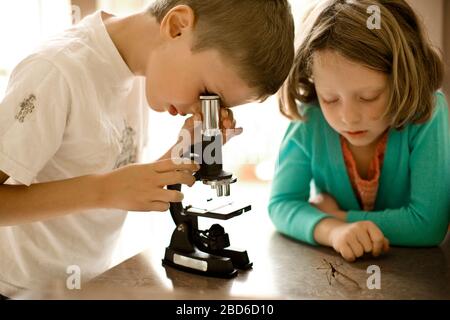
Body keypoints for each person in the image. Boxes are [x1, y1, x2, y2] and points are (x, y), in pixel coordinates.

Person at [0, 0, 295, 297]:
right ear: (177, 26)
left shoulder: (142, 69)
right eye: (207, 93)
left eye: (215, 106)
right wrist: (104, 190)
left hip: (85, 285)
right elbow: (107, 186)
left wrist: (185, 150)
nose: (200, 108)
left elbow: (110, 173)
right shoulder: (57, 71)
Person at [269, 0, 449, 262]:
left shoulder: (428, 112)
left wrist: (337, 216)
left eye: (368, 96)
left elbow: (428, 226)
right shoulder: (310, 119)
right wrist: (333, 231)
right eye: (330, 98)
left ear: (402, 80)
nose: (348, 118)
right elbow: (281, 204)